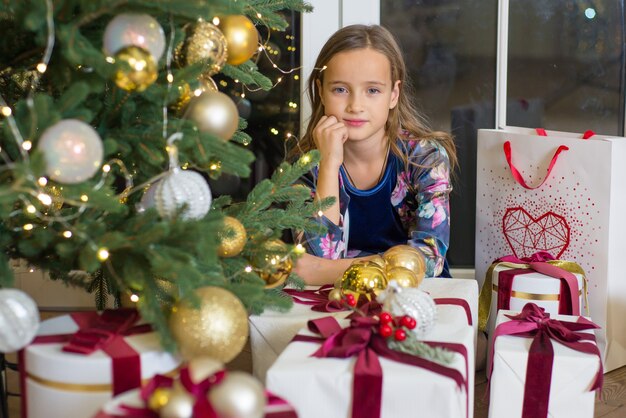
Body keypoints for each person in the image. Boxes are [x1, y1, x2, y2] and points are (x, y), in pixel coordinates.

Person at [290, 24, 457, 285]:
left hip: (420, 298)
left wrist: (326, 269)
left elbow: (428, 259)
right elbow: (317, 256)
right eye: (340, 89)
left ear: (393, 94)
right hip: (335, 299)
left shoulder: (425, 158)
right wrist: (329, 165)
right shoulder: (307, 165)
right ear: (321, 91)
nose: (356, 106)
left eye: (372, 90)